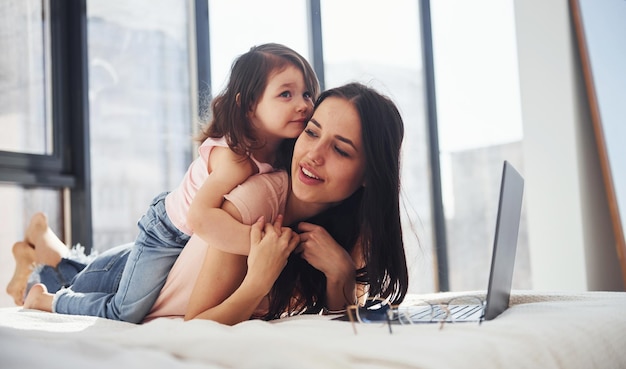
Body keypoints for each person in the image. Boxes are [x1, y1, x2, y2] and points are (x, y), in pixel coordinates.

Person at [17, 83, 409, 325]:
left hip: (164, 265)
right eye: (311, 132)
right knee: (64, 290)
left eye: (340, 149)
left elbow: (341, 315)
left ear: (370, 175)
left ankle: (50, 249)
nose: (313, 155)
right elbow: (196, 323)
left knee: (84, 267)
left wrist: (341, 272)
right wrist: (257, 280)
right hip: (144, 284)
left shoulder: (356, 229)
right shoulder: (256, 201)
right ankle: (38, 272)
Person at [6, 43, 319, 324]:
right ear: (248, 105)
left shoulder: (282, 154)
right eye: (285, 94)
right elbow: (201, 217)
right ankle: (46, 299)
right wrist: (259, 246)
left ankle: (49, 249)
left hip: (189, 238)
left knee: (116, 277)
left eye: (307, 94)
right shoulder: (235, 160)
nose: (303, 104)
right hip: (167, 234)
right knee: (126, 310)